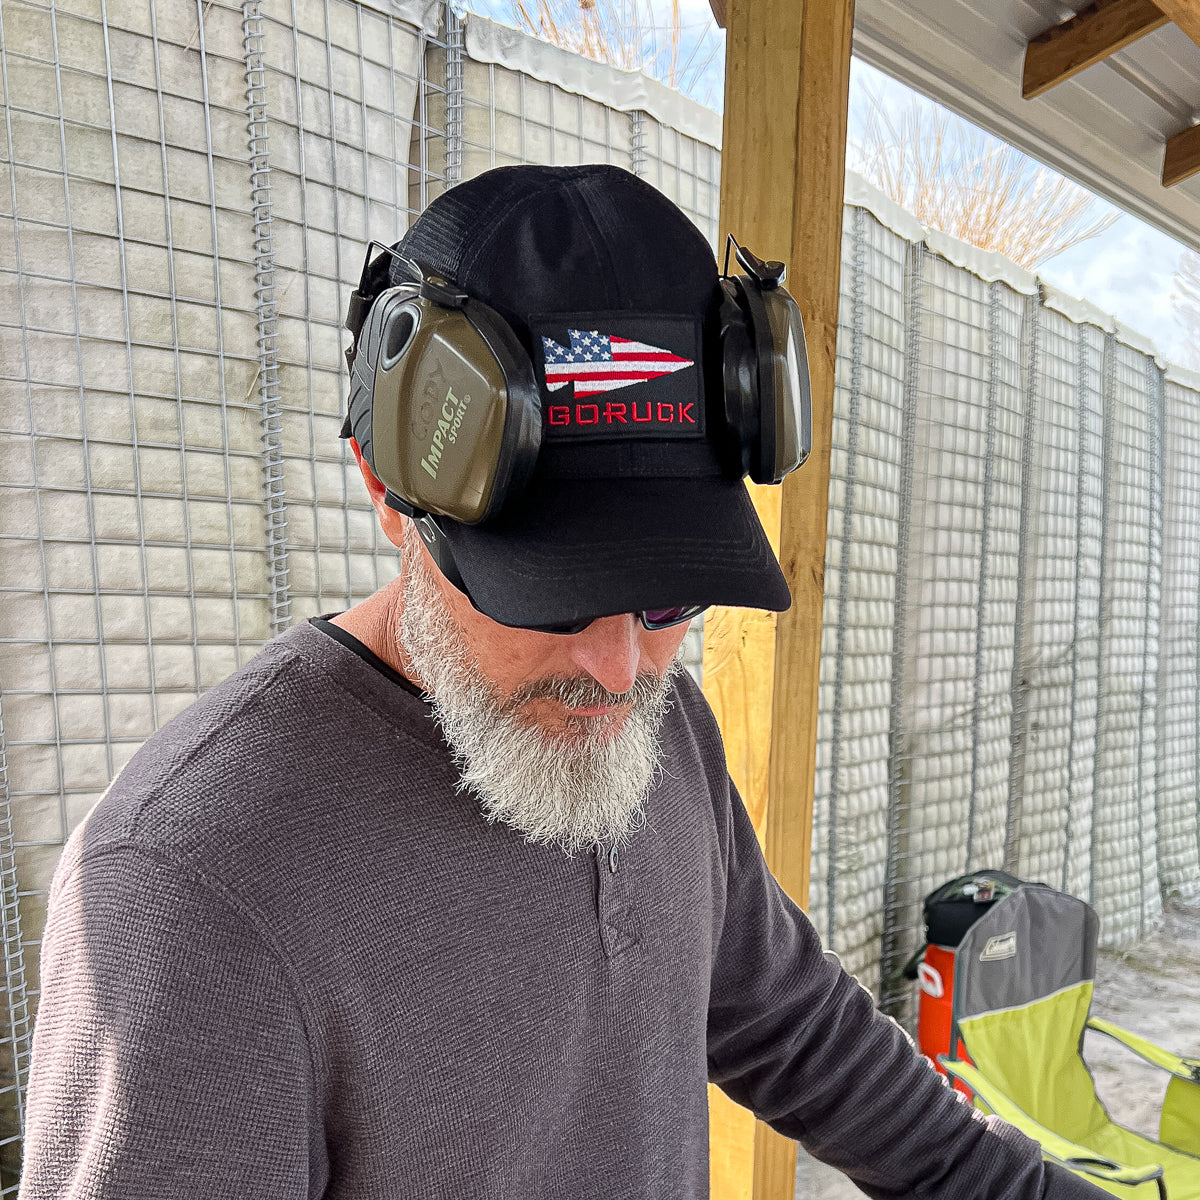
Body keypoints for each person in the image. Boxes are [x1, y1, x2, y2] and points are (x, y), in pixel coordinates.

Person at [20, 164, 1106, 1199]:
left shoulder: (663, 731)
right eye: (554, 597)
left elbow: (803, 1033)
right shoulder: (190, 888)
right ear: (389, 493)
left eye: (669, 601)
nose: (620, 670)